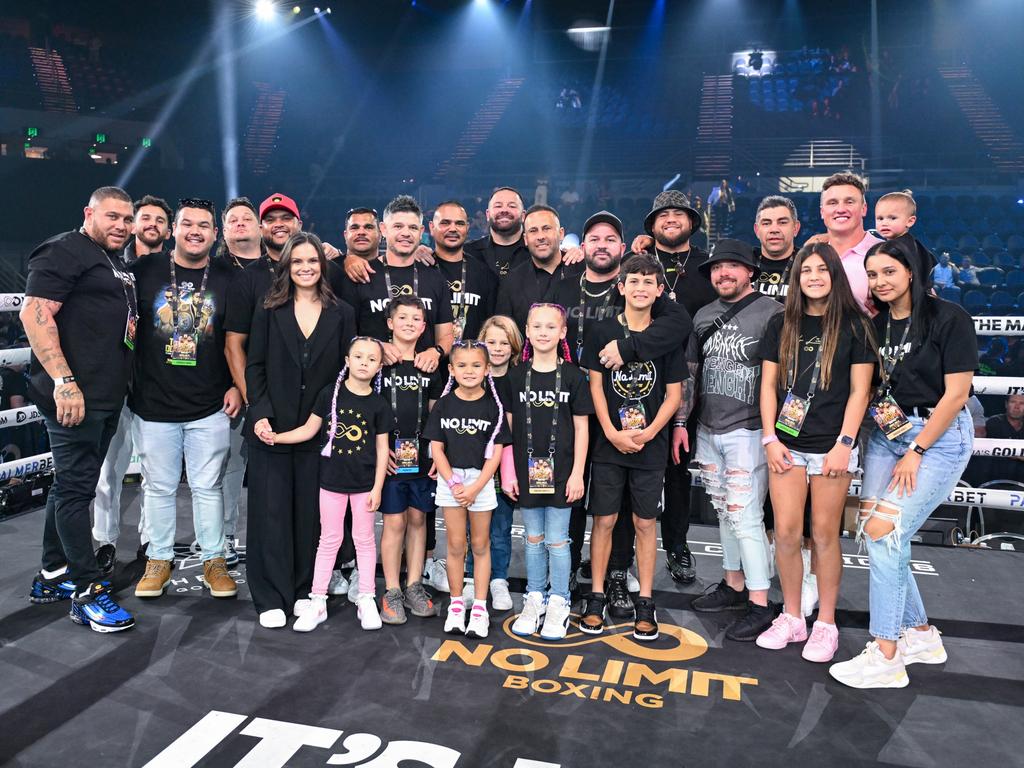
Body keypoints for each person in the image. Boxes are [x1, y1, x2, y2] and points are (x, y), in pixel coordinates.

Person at [829, 237, 976, 689]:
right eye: (873, 274)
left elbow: (956, 395)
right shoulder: (876, 325)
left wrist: (917, 451)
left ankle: (887, 653)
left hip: (935, 436)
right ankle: (921, 635)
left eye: (889, 272)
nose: (880, 281)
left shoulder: (949, 318)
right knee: (875, 532)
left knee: (885, 534)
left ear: (911, 271)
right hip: (885, 435)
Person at [23, 186, 138, 631]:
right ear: (88, 212)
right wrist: (64, 382)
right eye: (113, 217)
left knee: (72, 486)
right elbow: (35, 313)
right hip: (75, 396)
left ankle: (52, 574)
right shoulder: (64, 250)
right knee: (75, 492)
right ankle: (87, 591)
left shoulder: (111, 259)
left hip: (105, 395)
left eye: (127, 219)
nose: (122, 226)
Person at [756, 243, 876, 662]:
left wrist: (845, 444)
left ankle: (826, 623)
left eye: (821, 270)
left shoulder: (856, 325)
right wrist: (770, 438)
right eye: (805, 270)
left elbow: (861, 392)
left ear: (835, 275)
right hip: (786, 445)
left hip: (832, 449)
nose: (813, 277)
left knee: (824, 535)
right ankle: (792, 616)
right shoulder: (781, 324)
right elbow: (768, 386)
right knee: (786, 534)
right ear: (796, 277)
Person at [130, 198, 241, 601]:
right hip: (153, 402)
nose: (196, 231)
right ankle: (158, 559)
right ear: (174, 228)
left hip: (211, 402)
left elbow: (237, 338)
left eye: (204, 225)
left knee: (207, 486)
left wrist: (235, 384)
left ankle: (213, 559)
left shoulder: (230, 275)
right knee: (157, 487)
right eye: (188, 224)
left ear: (215, 234)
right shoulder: (143, 270)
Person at [245, 232, 357, 629]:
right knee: (270, 512)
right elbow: (254, 364)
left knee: (311, 515)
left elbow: (346, 371)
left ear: (322, 266)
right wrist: (259, 412)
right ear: (286, 266)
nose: (306, 268)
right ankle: (270, 595)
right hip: (271, 427)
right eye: (297, 262)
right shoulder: (269, 308)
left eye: (312, 261)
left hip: (321, 429)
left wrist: (319, 414)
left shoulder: (341, 312)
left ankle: (302, 589)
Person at [580, 254, 685, 641]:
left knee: (645, 523)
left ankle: (645, 600)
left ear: (660, 291)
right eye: (633, 281)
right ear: (620, 287)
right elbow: (594, 385)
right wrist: (610, 431)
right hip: (609, 443)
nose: (640, 288)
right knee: (604, 520)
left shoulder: (666, 333)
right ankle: (596, 595)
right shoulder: (600, 329)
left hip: (649, 444)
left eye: (648, 282)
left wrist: (649, 432)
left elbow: (675, 395)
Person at [686, 240, 784, 642]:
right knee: (724, 513)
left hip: (749, 429)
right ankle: (732, 585)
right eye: (716, 268)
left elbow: (785, 375)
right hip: (708, 427)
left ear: (749, 271)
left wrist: (773, 432)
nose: (723, 274)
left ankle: (761, 603)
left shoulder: (774, 312)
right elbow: (691, 373)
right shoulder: (704, 314)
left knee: (746, 517)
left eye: (731, 266)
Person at [258, 337, 392, 632]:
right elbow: (309, 429)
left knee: (364, 540)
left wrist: (378, 487)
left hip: (364, 485)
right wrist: (277, 437)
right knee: (329, 540)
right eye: (358, 357)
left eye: (371, 359)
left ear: (379, 366)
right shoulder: (329, 394)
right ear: (347, 360)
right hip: (331, 483)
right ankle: (317, 600)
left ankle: (367, 598)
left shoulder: (379, 404)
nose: (364, 363)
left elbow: (383, 449)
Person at [91, 193, 172, 574]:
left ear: (168, 229)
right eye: (146, 218)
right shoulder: (109, 265)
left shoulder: (175, 271)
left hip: (154, 385)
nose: (152, 224)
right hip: (116, 384)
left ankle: (150, 542)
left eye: (160, 219)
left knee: (155, 474)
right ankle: (104, 543)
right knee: (110, 471)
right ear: (134, 223)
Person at [504, 303, 592, 640]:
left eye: (550, 327)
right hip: (527, 475)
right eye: (536, 326)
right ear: (527, 331)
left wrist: (577, 474)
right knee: (533, 539)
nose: (543, 333)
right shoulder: (515, 376)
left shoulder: (573, 376)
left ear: (562, 332)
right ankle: (535, 597)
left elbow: (582, 429)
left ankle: (559, 601)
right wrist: (509, 474)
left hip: (562, 474)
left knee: (558, 541)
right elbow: (508, 431)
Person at [424, 341, 511, 639]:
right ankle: (457, 605)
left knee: (481, 545)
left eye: (476, 365)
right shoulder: (445, 404)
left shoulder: (494, 407)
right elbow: (437, 447)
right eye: (461, 365)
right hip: (452, 482)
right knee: (456, 546)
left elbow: (496, 453)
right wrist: (452, 483)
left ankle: (480, 608)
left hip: (481, 482)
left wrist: (475, 486)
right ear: (451, 369)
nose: (469, 371)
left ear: (487, 369)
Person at [377, 297, 444, 625]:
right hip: (388, 460)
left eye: (415, 318)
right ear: (389, 323)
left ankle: (415, 584)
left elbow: (435, 414)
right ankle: (391, 590)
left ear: (423, 327)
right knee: (395, 523)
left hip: (420, 461)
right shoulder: (378, 362)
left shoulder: (430, 366)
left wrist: (436, 453)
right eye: (401, 317)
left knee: (419, 521)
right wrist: (378, 454)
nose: (408, 323)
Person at [339, 195, 454, 373]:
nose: (406, 233)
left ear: (421, 231)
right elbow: (345, 335)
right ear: (383, 229)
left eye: (413, 227)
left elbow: (446, 335)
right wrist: (376, 348)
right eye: (398, 226)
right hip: (371, 386)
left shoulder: (435, 278)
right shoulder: (361, 275)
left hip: (424, 386)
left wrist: (436, 351)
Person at [216, 196, 265, 566]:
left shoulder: (281, 265)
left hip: (271, 383)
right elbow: (225, 337)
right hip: (228, 384)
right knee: (231, 467)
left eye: (246, 218)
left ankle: (273, 537)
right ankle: (227, 536)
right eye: (232, 220)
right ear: (223, 228)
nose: (240, 225)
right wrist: (235, 383)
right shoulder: (214, 269)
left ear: (259, 226)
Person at [465, 315, 522, 611]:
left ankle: (498, 580)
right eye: (491, 342)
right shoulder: (470, 376)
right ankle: (472, 579)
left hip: (502, 470)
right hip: (469, 467)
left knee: (500, 528)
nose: (497, 348)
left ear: (513, 347)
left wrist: (509, 472)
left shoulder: (516, 380)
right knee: (472, 531)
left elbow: (510, 434)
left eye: (504, 343)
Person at [429, 200, 497, 343]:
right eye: (445, 223)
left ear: (467, 228)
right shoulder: (420, 269)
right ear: (431, 227)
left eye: (459, 224)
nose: (453, 229)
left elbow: (492, 326)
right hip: (428, 361)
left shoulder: (484, 274)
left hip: (471, 362)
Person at [495, 205, 571, 332]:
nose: (540, 236)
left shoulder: (582, 271)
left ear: (561, 233)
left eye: (546, 228)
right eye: (533, 230)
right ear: (525, 239)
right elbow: (504, 333)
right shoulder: (511, 282)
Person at [464, 187, 531, 278]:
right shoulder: (468, 252)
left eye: (512, 206)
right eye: (498, 206)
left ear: (523, 216)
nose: (504, 210)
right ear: (488, 215)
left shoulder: (536, 251)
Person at [752, 195, 802, 301]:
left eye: (782, 222)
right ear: (757, 230)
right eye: (766, 223)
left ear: (796, 228)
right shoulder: (743, 262)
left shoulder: (808, 264)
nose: (774, 229)